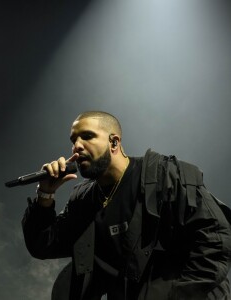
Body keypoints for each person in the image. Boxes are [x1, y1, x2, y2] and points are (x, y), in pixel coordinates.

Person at [22, 111, 231, 300]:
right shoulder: (84, 199)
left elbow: (216, 240)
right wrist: (45, 193)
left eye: (87, 136)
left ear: (114, 142)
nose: (77, 145)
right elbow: (43, 245)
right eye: (73, 139)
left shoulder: (164, 175)